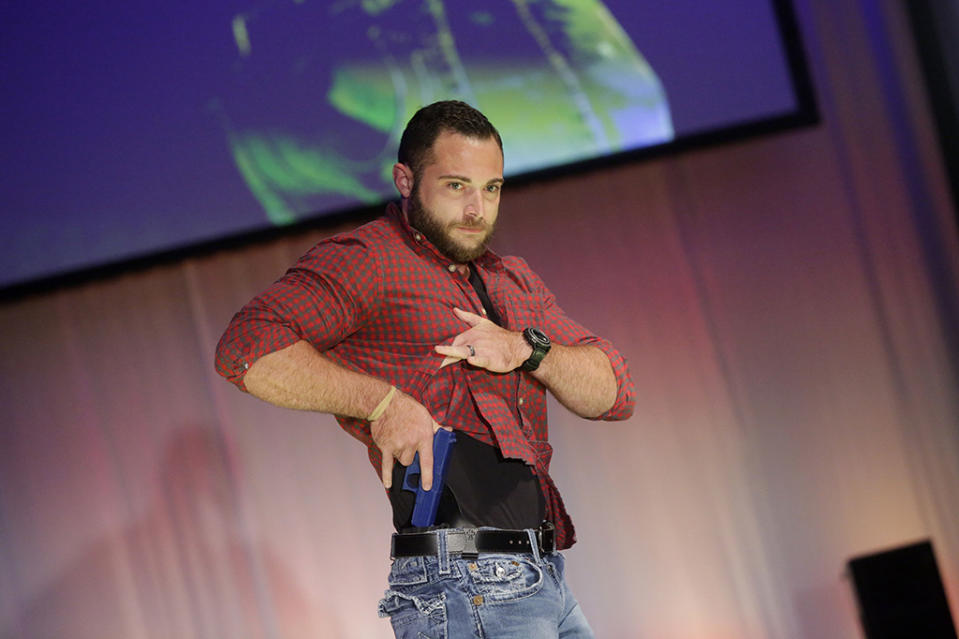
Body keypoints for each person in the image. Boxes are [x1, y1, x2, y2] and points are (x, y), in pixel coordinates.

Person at [215, 100, 635, 638]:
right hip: (463, 578)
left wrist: (529, 351)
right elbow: (246, 346)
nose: (477, 210)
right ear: (405, 180)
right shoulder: (368, 259)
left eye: (492, 188)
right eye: (457, 186)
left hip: (544, 574)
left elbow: (616, 394)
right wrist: (381, 403)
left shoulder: (512, 279)